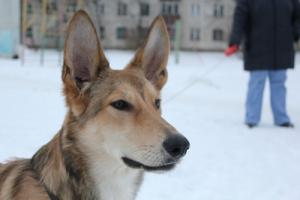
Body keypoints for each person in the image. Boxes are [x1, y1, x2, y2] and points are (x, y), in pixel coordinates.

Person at [225, 0, 300, 128]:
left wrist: (296, 33)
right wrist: (235, 41)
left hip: (282, 47)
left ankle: (281, 118)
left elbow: (298, 16)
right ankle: (252, 118)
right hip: (257, 46)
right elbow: (240, 17)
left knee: (279, 83)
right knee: (257, 82)